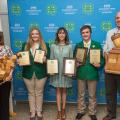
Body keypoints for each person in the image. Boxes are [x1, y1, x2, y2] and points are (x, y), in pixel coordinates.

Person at [74, 25, 104, 120]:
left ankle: (92, 112)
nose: (85, 34)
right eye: (83, 33)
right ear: (81, 34)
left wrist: (100, 64)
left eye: (87, 32)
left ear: (90, 33)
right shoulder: (78, 45)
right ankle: (81, 111)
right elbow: (74, 58)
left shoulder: (97, 44)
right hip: (81, 73)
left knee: (92, 95)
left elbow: (102, 59)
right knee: (81, 94)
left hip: (92, 73)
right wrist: (76, 63)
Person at [20, 27, 50, 120]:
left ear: (39, 35)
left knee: (39, 93)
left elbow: (49, 61)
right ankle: (32, 112)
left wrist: (45, 60)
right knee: (31, 93)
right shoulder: (25, 45)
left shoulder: (46, 45)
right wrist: (19, 60)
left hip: (41, 73)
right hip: (28, 73)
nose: (35, 35)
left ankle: (39, 111)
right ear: (30, 35)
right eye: (33, 34)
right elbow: (22, 58)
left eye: (36, 33)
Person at [50, 27, 73, 120]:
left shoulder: (70, 46)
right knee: (58, 91)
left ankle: (63, 109)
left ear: (66, 35)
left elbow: (71, 60)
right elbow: (51, 59)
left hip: (65, 72)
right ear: (57, 35)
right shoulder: (53, 46)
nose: (62, 34)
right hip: (56, 72)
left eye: (63, 33)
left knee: (64, 91)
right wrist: (51, 70)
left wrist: (70, 71)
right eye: (60, 33)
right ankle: (59, 111)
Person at [103, 12, 120, 120]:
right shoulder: (110, 32)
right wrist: (106, 64)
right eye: (117, 18)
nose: (118, 19)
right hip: (110, 68)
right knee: (110, 92)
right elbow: (106, 50)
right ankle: (111, 114)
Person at [0, 31, 14, 120]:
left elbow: (12, 62)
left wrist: (10, 75)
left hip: (5, 80)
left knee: (5, 101)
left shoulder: (6, 48)